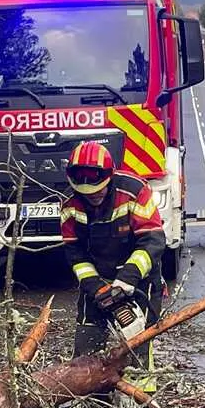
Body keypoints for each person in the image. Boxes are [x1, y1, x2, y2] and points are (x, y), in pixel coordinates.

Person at [60, 140, 166, 376]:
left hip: (139, 279)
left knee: (137, 341)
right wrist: (95, 287)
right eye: (86, 193)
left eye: (98, 191)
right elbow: (75, 252)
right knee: (86, 343)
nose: (92, 196)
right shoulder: (69, 203)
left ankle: (141, 400)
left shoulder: (134, 191)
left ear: (109, 177)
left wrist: (128, 278)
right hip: (98, 277)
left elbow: (153, 240)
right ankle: (91, 400)